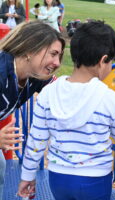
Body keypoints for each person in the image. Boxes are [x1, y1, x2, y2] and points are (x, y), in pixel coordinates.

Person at [17, 20, 115, 200]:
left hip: (58, 177)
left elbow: (36, 141)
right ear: (102, 61)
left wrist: (27, 176)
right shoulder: (111, 100)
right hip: (95, 179)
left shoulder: (48, 93)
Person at [0, 20, 65, 199]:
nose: (57, 62)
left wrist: (112, 110)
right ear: (30, 50)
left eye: (59, 56)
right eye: (53, 54)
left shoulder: (34, 75)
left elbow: (68, 92)